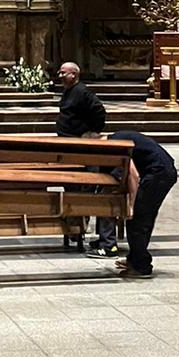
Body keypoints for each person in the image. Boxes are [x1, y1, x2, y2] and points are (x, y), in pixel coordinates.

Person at [55, 62, 115, 256]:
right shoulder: (69, 91)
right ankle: (75, 224)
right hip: (68, 147)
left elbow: (99, 112)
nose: (60, 75)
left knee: (85, 185)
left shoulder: (83, 92)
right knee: (70, 185)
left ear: (74, 75)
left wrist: (91, 133)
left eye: (63, 73)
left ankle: (80, 223)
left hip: (82, 148)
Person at [109, 131, 178, 280]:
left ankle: (141, 267)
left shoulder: (114, 145)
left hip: (158, 173)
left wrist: (131, 205)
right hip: (162, 169)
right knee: (142, 218)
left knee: (139, 220)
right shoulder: (116, 138)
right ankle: (134, 259)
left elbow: (132, 175)